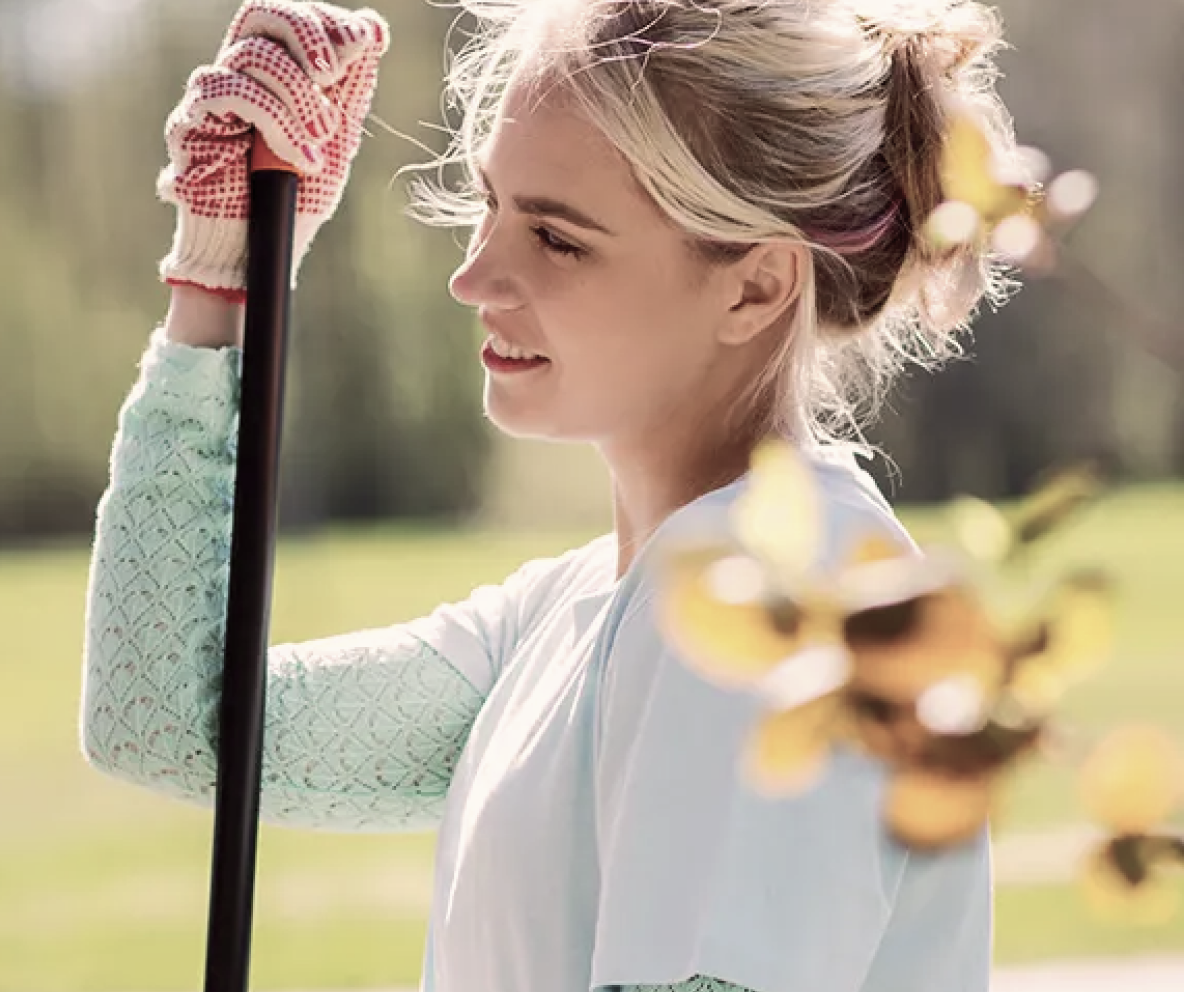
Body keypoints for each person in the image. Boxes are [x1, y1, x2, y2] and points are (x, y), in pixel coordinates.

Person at [81, 1, 1010, 990]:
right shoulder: (571, 611)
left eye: (556, 238)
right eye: (489, 204)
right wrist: (219, 275)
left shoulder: (781, 594)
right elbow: (170, 724)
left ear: (754, 288)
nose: (475, 275)